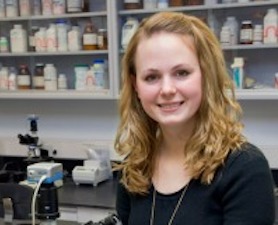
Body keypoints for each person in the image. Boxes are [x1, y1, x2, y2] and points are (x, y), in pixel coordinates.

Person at [114, 11, 275, 225]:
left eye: (181, 73)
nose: (167, 89)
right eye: (151, 77)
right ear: (136, 86)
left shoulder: (244, 169)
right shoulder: (133, 170)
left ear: (206, 75)